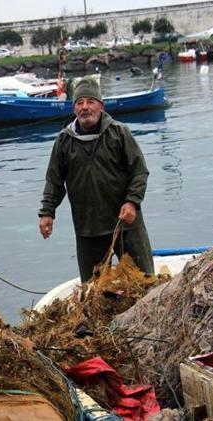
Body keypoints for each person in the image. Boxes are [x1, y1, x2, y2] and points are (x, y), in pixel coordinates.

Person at [38, 76, 154, 283]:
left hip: (126, 225)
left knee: (144, 282)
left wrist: (132, 201)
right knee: (94, 292)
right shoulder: (64, 141)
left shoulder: (119, 133)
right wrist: (47, 212)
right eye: (80, 103)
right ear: (74, 109)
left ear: (101, 106)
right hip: (88, 230)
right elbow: (54, 181)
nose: (85, 107)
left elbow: (139, 171)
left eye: (90, 102)